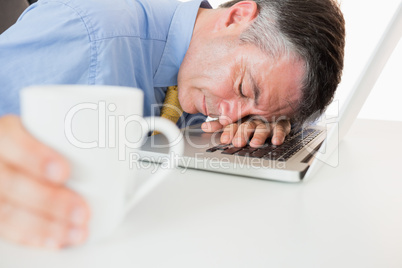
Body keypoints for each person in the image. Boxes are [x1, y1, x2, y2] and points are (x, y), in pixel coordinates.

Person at [0, 0, 345, 248]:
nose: (227, 117)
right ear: (237, 16)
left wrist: (272, 120)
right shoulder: (89, 33)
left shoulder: (195, 66)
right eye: (243, 89)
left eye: (248, 113)